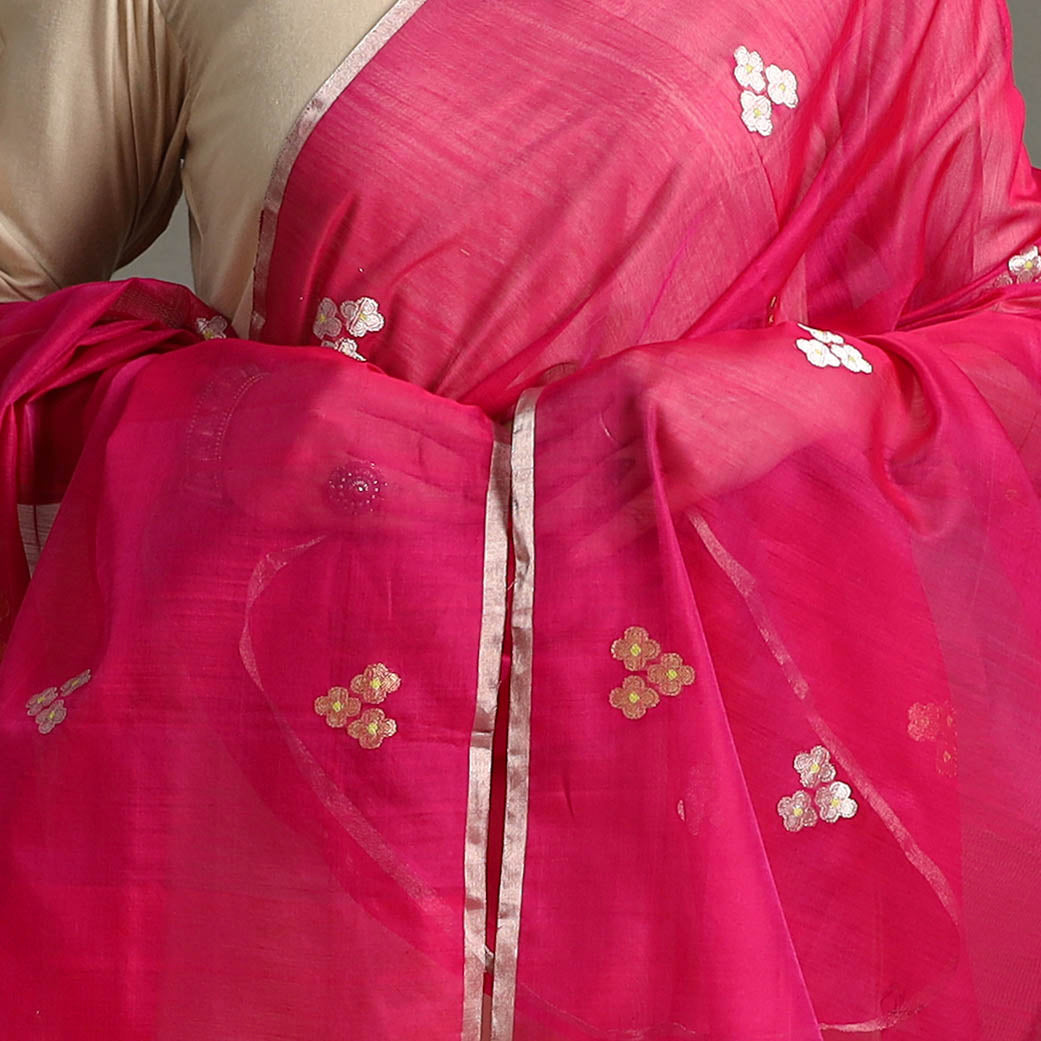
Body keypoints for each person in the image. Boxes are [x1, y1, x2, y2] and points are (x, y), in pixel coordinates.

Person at [2, 0, 1040, 1037]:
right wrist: (228, 428)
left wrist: (757, 409)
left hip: (690, 806)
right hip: (276, 802)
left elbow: (1008, 323)